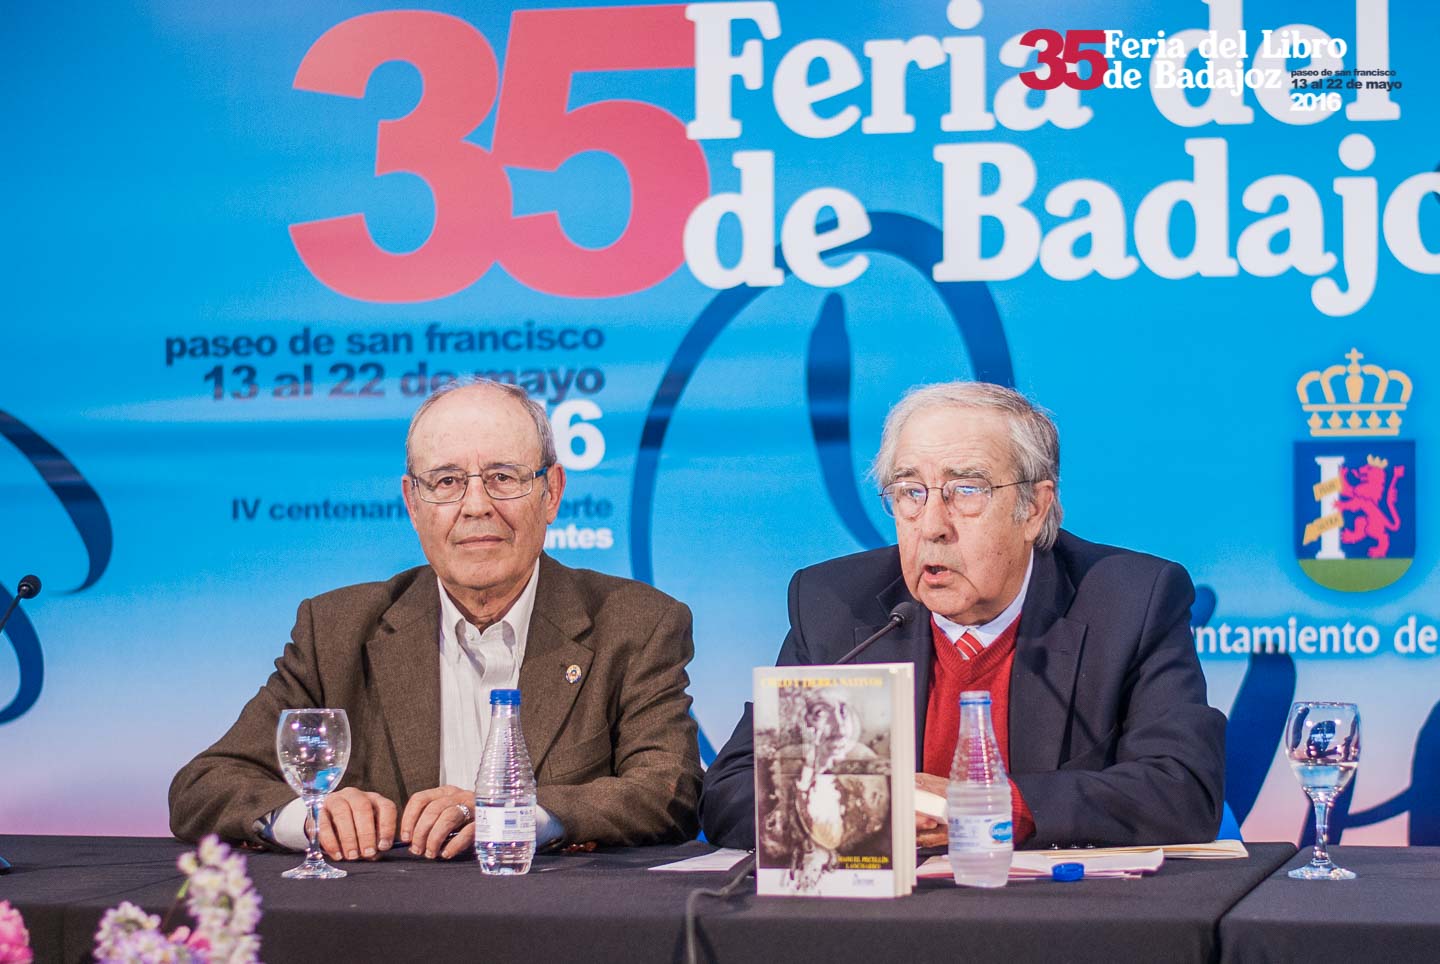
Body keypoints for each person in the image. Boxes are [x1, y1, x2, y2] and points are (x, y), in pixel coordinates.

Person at [170, 380, 702, 860]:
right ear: (412, 502)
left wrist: (515, 816)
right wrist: (311, 817)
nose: (476, 505)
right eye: (447, 481)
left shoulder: (636, 624)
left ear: (552, 493)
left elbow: (670, 792)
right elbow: (204, 785)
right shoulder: (336, 630)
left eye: (503, 477)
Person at [700, 382, 1226, 850]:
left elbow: (1182, 790)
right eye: (911, 492)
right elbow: (733, 792)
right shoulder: (834, 605)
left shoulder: (1129, 601)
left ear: (1034, 508)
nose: (932, 525)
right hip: (879, 915)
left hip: (1053, 915)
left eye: (966, 491)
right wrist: (867, 816)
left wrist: (991, 808)